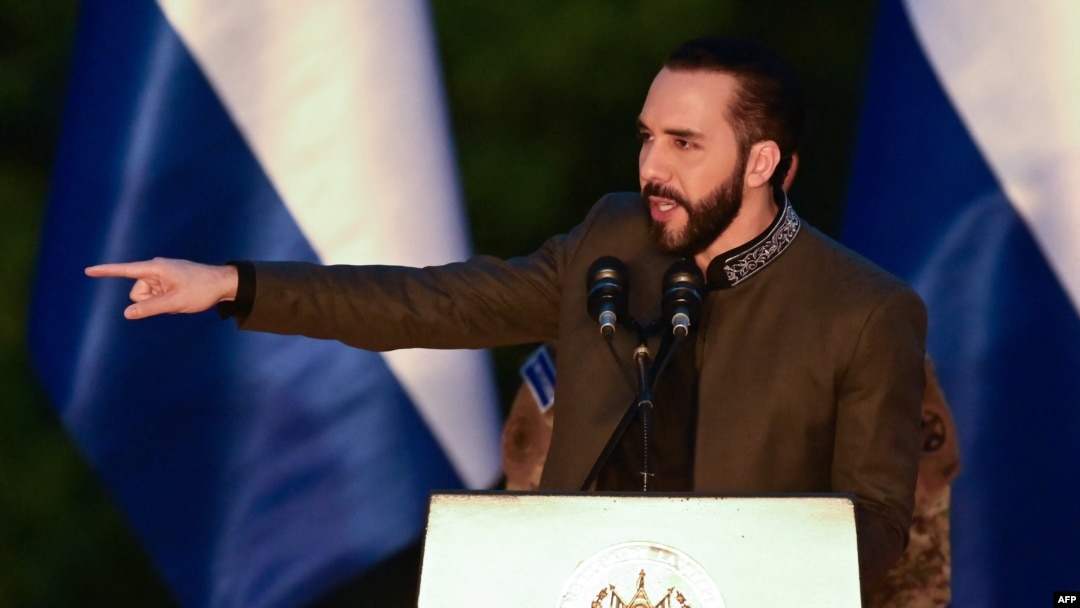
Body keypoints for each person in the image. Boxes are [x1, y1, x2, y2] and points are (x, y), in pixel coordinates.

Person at [86, 37, 927, 593]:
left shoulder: (864, 310)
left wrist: (731, 576)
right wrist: (236, 282)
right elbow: (434, 303)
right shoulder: (613, 236)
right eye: (646, 137)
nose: (651, 167)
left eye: (684, 143)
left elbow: (881, 526)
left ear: (763, 163)